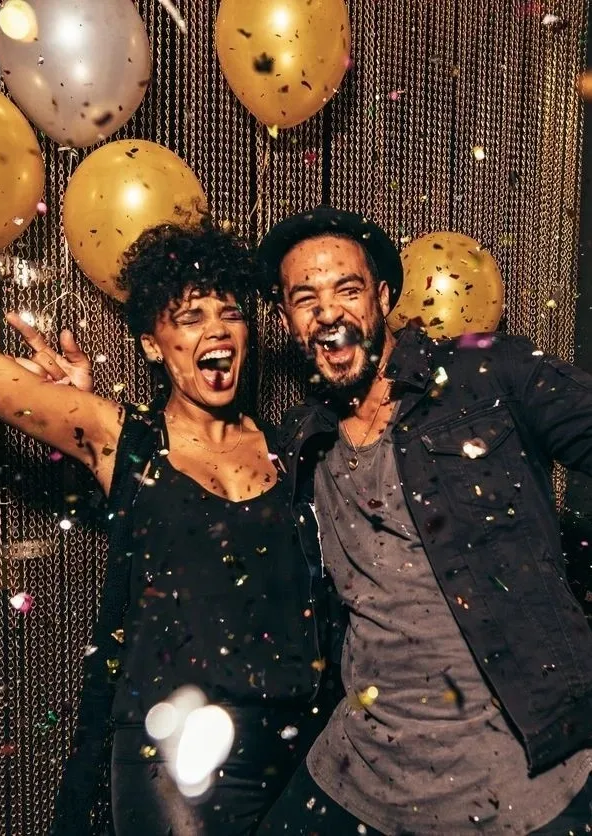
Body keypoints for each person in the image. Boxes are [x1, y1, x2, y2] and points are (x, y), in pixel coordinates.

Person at [0, 44, 329, 836]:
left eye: (228, 310)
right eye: (188, 317)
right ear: (154, 346)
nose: (215, 329)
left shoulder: (299, 448)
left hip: (304, 752)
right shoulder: (116, 438)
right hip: (174, 772)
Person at [248, 206, 592, 834]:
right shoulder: (302, 443)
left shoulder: (484, 375)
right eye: (306, 298)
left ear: (382, 299)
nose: (328, 312)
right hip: (361, 773)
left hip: (523, 772)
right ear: (285, 321)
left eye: (347, 290)